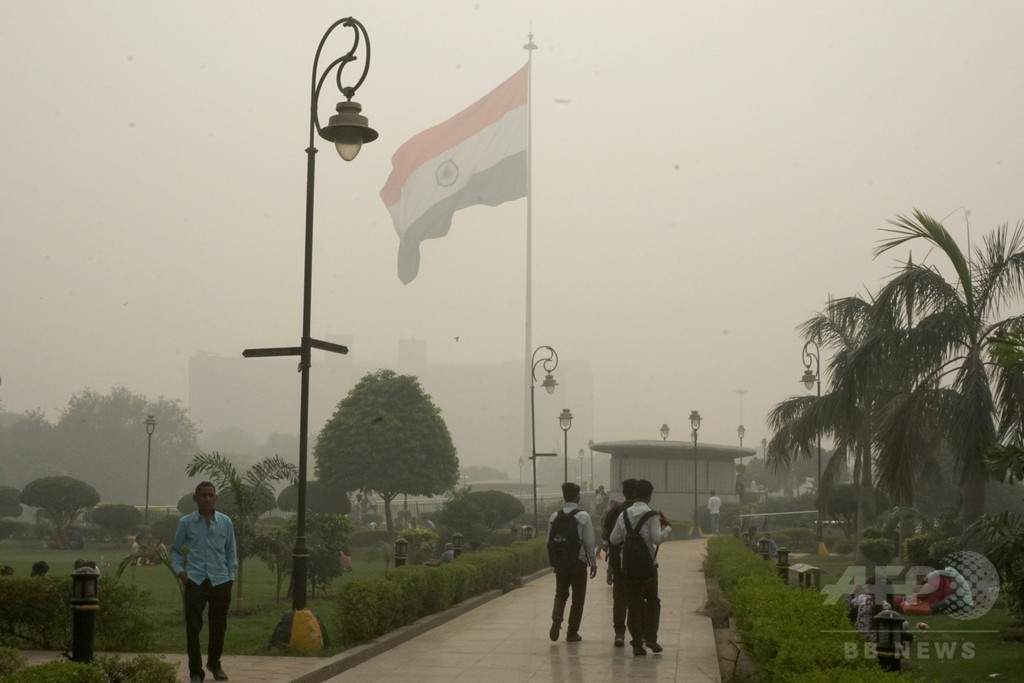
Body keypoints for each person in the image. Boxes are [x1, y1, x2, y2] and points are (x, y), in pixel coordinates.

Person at [170, 481, 237, 683]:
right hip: (196, 580)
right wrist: (180, 571)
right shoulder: (186, 523)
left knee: (218, 625)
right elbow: (174, 549)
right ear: (195, 498)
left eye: (210, 495)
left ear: (215, 498)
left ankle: (215, 664)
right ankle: (196, 671)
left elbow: (231, 551)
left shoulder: (225, 522)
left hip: (221, 580)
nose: (207, 498)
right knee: (193, 626)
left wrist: (231, 576)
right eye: (203, 495)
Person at [609, 478, 671, 656]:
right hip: (648, 567)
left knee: (633, 602)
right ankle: (650, 637)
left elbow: (613, 539)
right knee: (652, 600)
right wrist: (668, 528)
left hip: (627, 567)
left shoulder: (624, 514)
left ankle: (636, 642)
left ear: (635, 494)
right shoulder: (652, 515)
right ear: (649, 495)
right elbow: (657, 539)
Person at [548, 482, 597, 643]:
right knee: (578, 598)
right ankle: (572, 632)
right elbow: (589, 543)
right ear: (576, 496)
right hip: (578, 562)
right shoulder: (583, 516)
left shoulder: (555, 516)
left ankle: (557, 618)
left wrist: (554, 561)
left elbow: (549, 541)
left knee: (560, 594)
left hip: (561, 563)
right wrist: (593, 562)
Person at [602, 479, 638, 647]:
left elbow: (605, 535)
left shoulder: (614, 511)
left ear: (624, 493)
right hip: (638, 563)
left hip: (618, 563)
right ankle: (639, 634)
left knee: (619, 598)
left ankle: (619, 633)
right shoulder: (643, 513)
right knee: (637, 598)